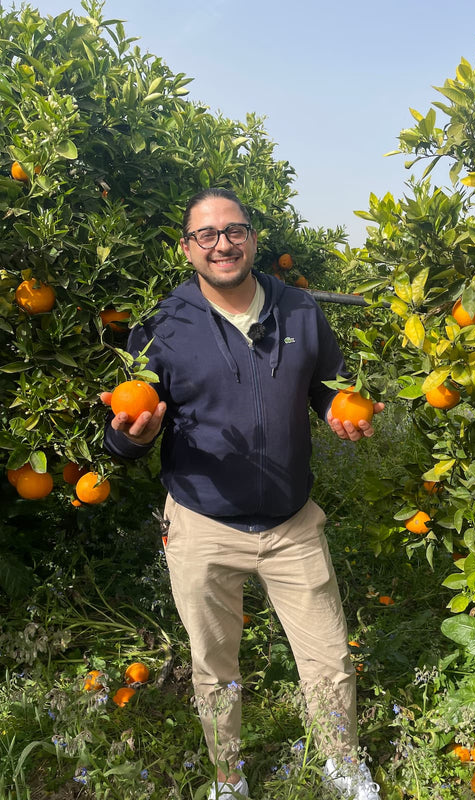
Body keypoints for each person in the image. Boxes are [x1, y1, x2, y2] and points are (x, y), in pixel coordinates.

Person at [103, 188, 384, 800]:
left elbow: (327, 390)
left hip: (292, 523)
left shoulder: (303, 311)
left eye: (234, 230)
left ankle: (342, 764)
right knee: (214, 668)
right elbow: (121, 434)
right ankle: (228, 779)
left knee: (329, 658)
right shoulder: (161, 327)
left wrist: (342, 411)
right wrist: (135, 439)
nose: (222, 243)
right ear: (187, 249)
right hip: (203, 525)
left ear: (254, 239)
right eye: (206, 234)